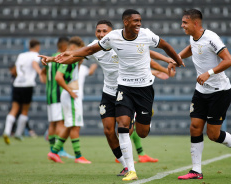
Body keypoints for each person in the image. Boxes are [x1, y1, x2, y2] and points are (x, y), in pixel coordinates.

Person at [40, 9, 183, 181]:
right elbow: (77, 56)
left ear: (111, 32)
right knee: (110, 130)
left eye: (104, 31)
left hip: (133, 89)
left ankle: (139, 123)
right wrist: (54, 59)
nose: (101, 34)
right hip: (110, 92)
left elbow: (147, 53)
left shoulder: (120, 41)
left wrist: (164, 65)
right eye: (98, 31)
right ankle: (127, 166)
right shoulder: (97, 46)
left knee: (134, 130)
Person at [172, 9, 231, 180]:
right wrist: (177, 58)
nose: (182, 25)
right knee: (194, 127)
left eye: (185, 23)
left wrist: (208, 73)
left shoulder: (211, 38)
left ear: (195, 23)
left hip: (220, 92)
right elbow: (192, 47)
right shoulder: (193, 36)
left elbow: (229, 60)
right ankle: (196, 171)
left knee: (213, 135)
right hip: (201, 90)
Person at [47, 36, 91, 164]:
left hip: (71, 94)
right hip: (71, 95)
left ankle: (53, 152)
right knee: (75, 126)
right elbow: (58, 77)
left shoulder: (75, 59)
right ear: (72, 48)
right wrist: (70, 91)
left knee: (69, 125)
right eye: (78, 49)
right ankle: (78, 156)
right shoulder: (68, 60)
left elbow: (84, 56)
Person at [3, 39, 42, 144]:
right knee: (24, 110)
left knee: (14, 109)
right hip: (27, 85)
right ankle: (18, 133)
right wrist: (40, 72)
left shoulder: (21, 55)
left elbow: (16, 69)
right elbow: (34, 64)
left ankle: (7, 131)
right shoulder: (35, 55)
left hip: (17, 83)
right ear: (37, 47)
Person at [40, 37, 74, 158]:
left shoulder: (51, 57)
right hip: (59, 94)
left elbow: (41, 73)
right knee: (61, 122)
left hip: (50, 94)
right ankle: (59, 150)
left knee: (52, 124)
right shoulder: (61, 58)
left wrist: (48, 84)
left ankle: (52, 149)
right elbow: (60, 77)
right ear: (64, 46)